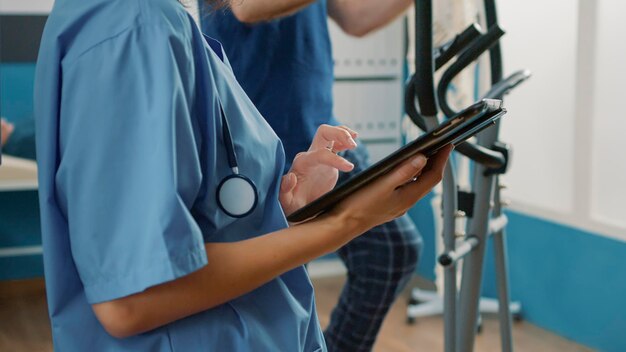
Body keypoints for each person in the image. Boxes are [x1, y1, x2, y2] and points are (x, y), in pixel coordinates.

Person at [34, 0, 451, 350]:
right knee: (389, 249)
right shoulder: (136, 30)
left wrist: (277, 213)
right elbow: (133, 299)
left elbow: (201, 225)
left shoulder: (156, 23)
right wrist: (347, 221)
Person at [202, 1, 420, 350]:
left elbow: (355, 17)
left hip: (318, 129)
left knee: (391, 249)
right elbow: (245, 7)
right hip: (255, 137)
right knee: (268, 288)